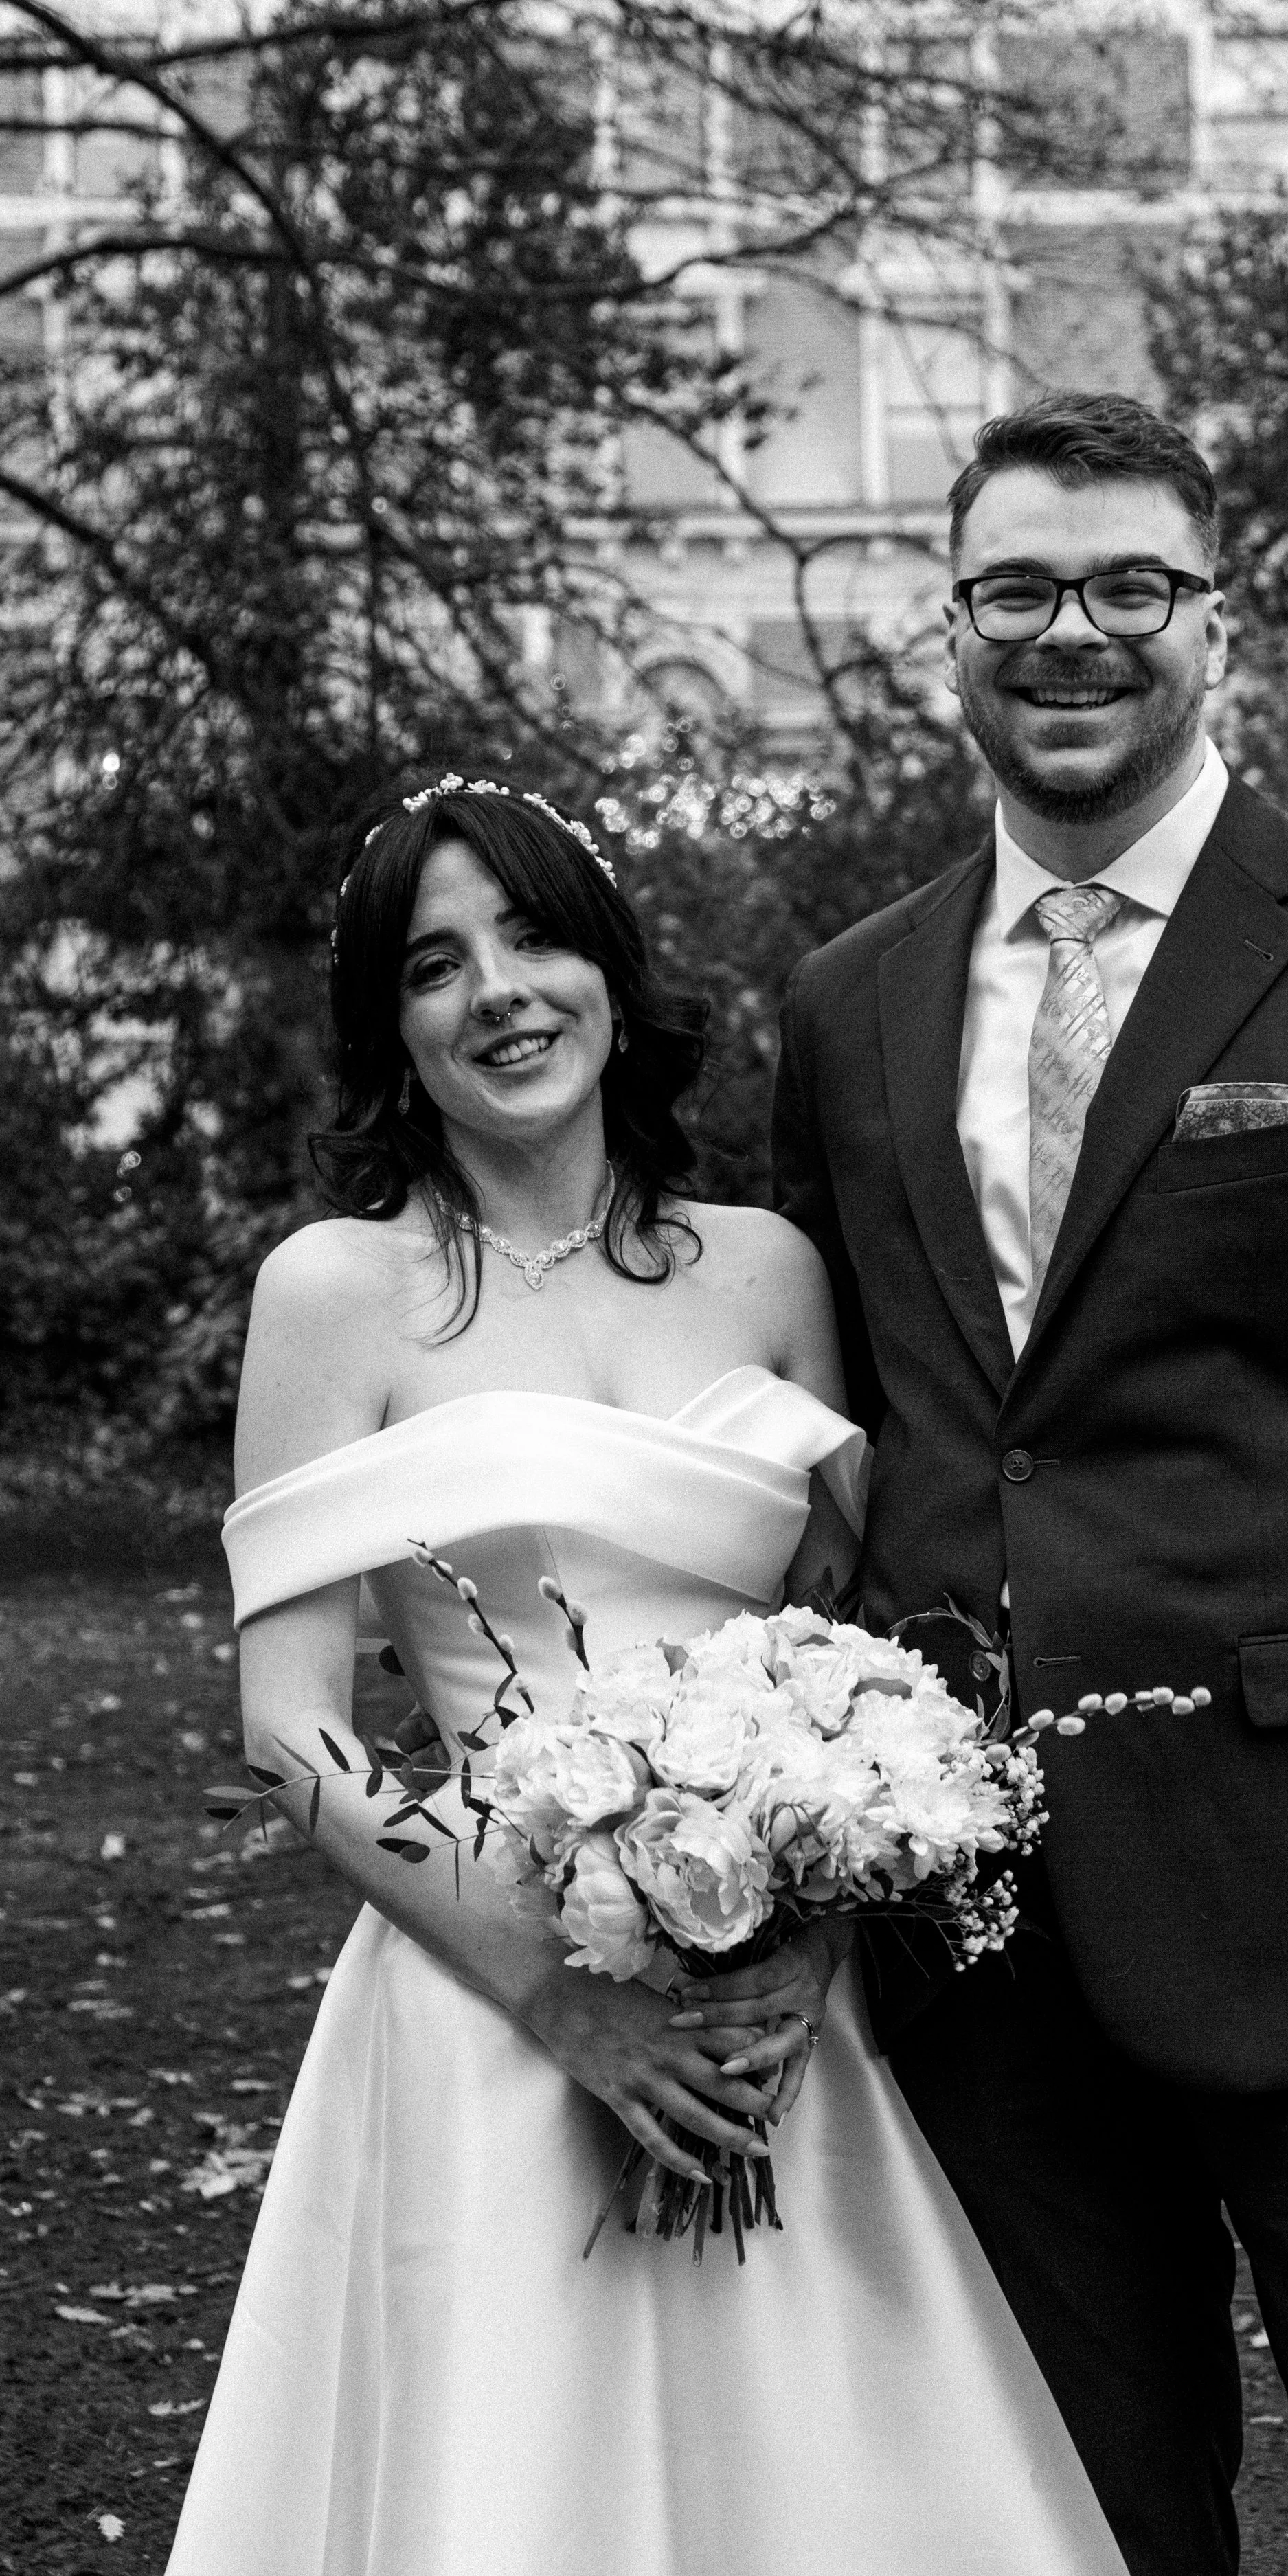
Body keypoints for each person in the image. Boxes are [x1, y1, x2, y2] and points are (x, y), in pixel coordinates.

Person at [761, 392, 1288, 2576]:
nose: (1073, 633)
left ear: (1213, 624)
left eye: (1129, 585)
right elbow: (847, 1458)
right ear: (944, 625)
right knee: (1074, 2531)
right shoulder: (847, 1005)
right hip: (979, 1951)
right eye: (1018, 587)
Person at [164, 779, 1127, 2576]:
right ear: (393, 1029)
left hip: (773, 2003)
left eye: (532, 937)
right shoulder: (336, 1292)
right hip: (485, 1986)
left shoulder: (764, 1267)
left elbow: (845, 1650)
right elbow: (289, 1719)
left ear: (609, 970)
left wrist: (812, 1907)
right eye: (436, 965)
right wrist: (554, 1990)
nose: (498, 991)